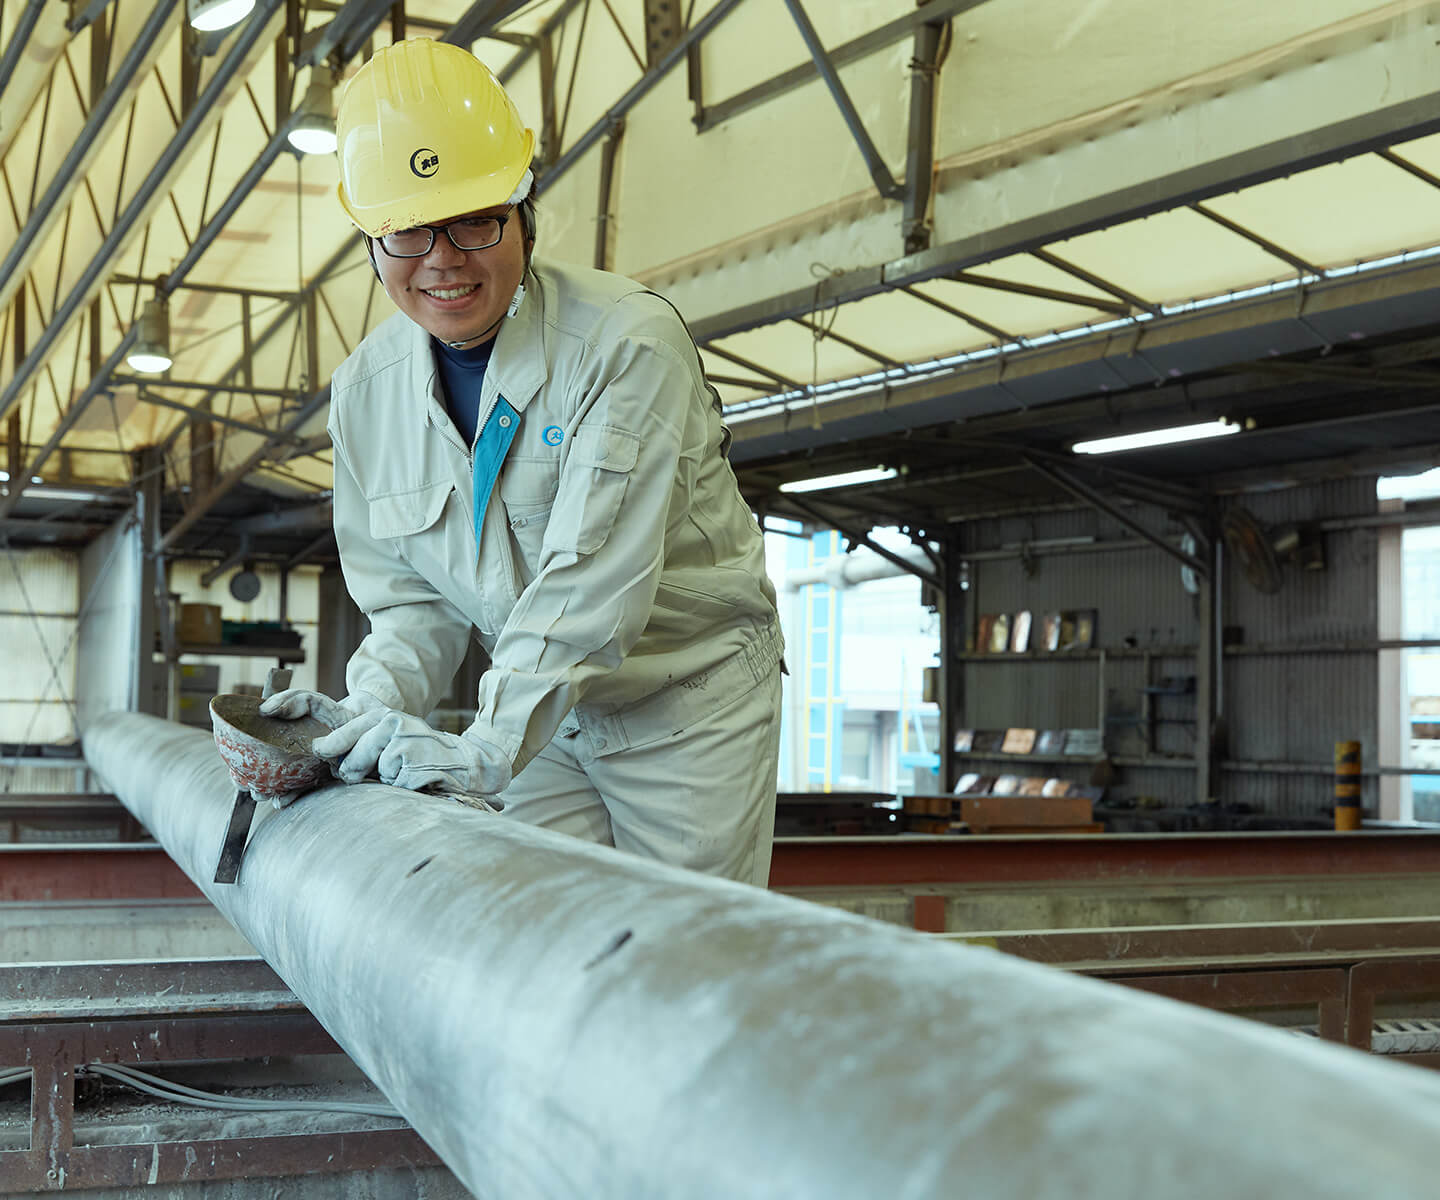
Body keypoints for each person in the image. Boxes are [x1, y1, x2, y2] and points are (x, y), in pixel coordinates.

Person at [260, 38, 784, 887]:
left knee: (684, 962)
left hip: (687, 703)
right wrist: (367, 713)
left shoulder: (623, 345)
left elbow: (591, 580)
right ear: (369, 242)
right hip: (543, 709)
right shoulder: (364, 394)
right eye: (407, 231)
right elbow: (410, 605)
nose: (443, 257)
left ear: (523, 210)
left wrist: (492, 743)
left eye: (475, 219)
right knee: (527, 930)